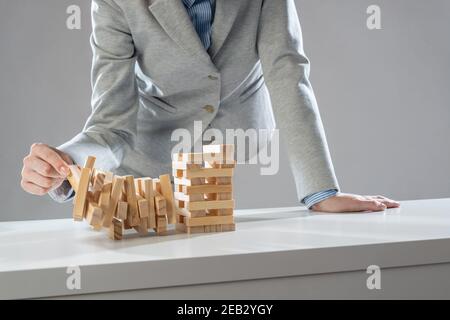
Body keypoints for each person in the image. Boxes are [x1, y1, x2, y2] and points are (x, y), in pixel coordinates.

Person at [20, 0, 399, 212]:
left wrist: (322, 192)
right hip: (152, 150)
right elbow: (111, 124)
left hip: (243, 152)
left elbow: (287, 73)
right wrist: (66, 163)